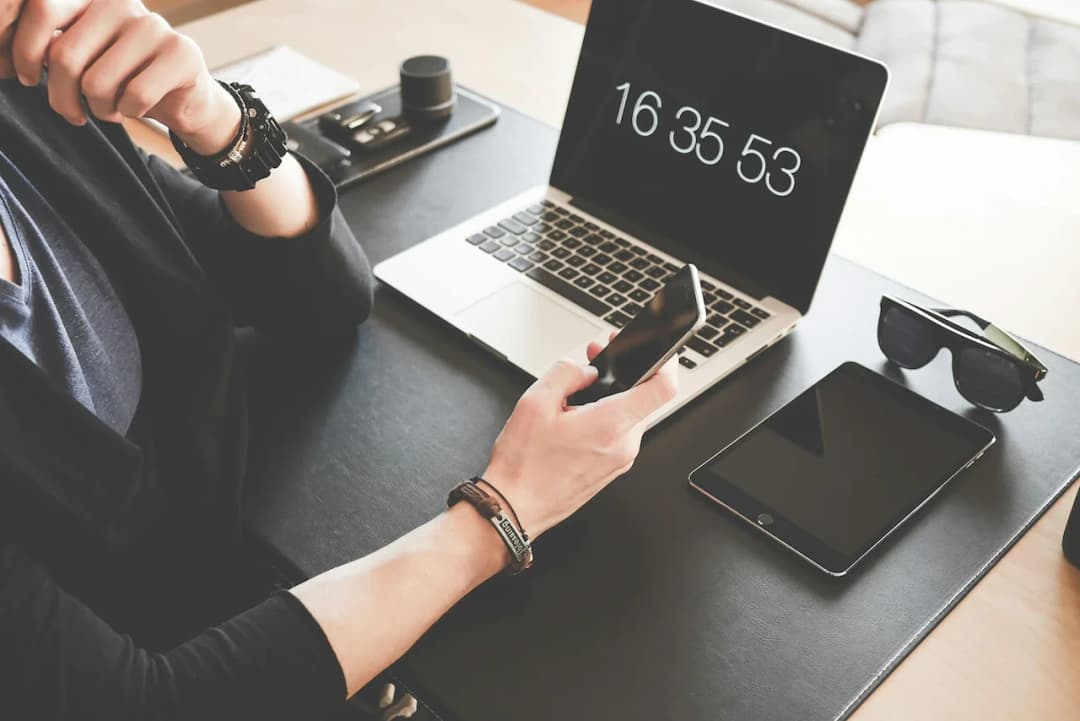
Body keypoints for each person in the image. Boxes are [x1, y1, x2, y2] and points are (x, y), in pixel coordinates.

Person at [0, 1, 679, 718]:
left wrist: (215, 118)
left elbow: (320, 298)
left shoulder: (30, 108)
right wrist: (505, 511)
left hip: (230, 578)